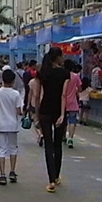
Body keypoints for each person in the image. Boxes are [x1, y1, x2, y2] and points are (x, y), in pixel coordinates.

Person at [33, 47, 69, 193]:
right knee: (58, 144)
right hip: (58, 111)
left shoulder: (42, 73)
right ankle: (57, 176)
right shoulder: (65, 73)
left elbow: (37, 96)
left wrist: (36, 114)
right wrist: (62, 114)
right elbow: (63, 95)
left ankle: (51, 180)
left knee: (48, 145)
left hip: (45, 110)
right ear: (58, 57)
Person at [0, 69, 24, 185]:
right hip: (12, 125)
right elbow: (19, 111)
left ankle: (2, 175)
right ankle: (12, 172)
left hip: (1, 125)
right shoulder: (16, 94)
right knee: (13, 148)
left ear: (2, 80)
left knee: (1, 149)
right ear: (13, 81)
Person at [62, 60, 81, 148]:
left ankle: (63, 136)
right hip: (73, 102)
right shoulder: (76, 76)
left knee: (63, 121)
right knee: (72, 121)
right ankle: (70, 138)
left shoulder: (62, 75)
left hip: (63, 102)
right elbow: (80, 88)